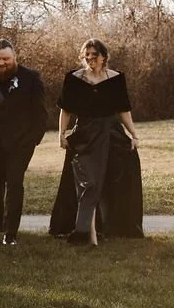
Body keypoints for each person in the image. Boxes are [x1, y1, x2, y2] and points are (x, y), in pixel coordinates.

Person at [50, 39, 143, 245]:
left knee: (113, 179)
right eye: (87, 55)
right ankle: (85, 232)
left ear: (104, 56)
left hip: (111, 133)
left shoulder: (116, 79)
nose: (90, 58)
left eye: (94, 54)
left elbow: (123, 110)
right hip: (85, 134)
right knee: (88, 182)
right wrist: (61, 134)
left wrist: (134, 134)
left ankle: (108, 228)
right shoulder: (73, 79)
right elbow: (66, 110)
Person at [0, 39, 48, 245]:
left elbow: (40, 112)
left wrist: (33, 140)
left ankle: (10, 233)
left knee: (14, 183)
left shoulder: (30, 78)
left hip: (20, 143)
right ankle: (0, 219)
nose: (1, 63)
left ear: (14, 58)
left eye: (6, 59)